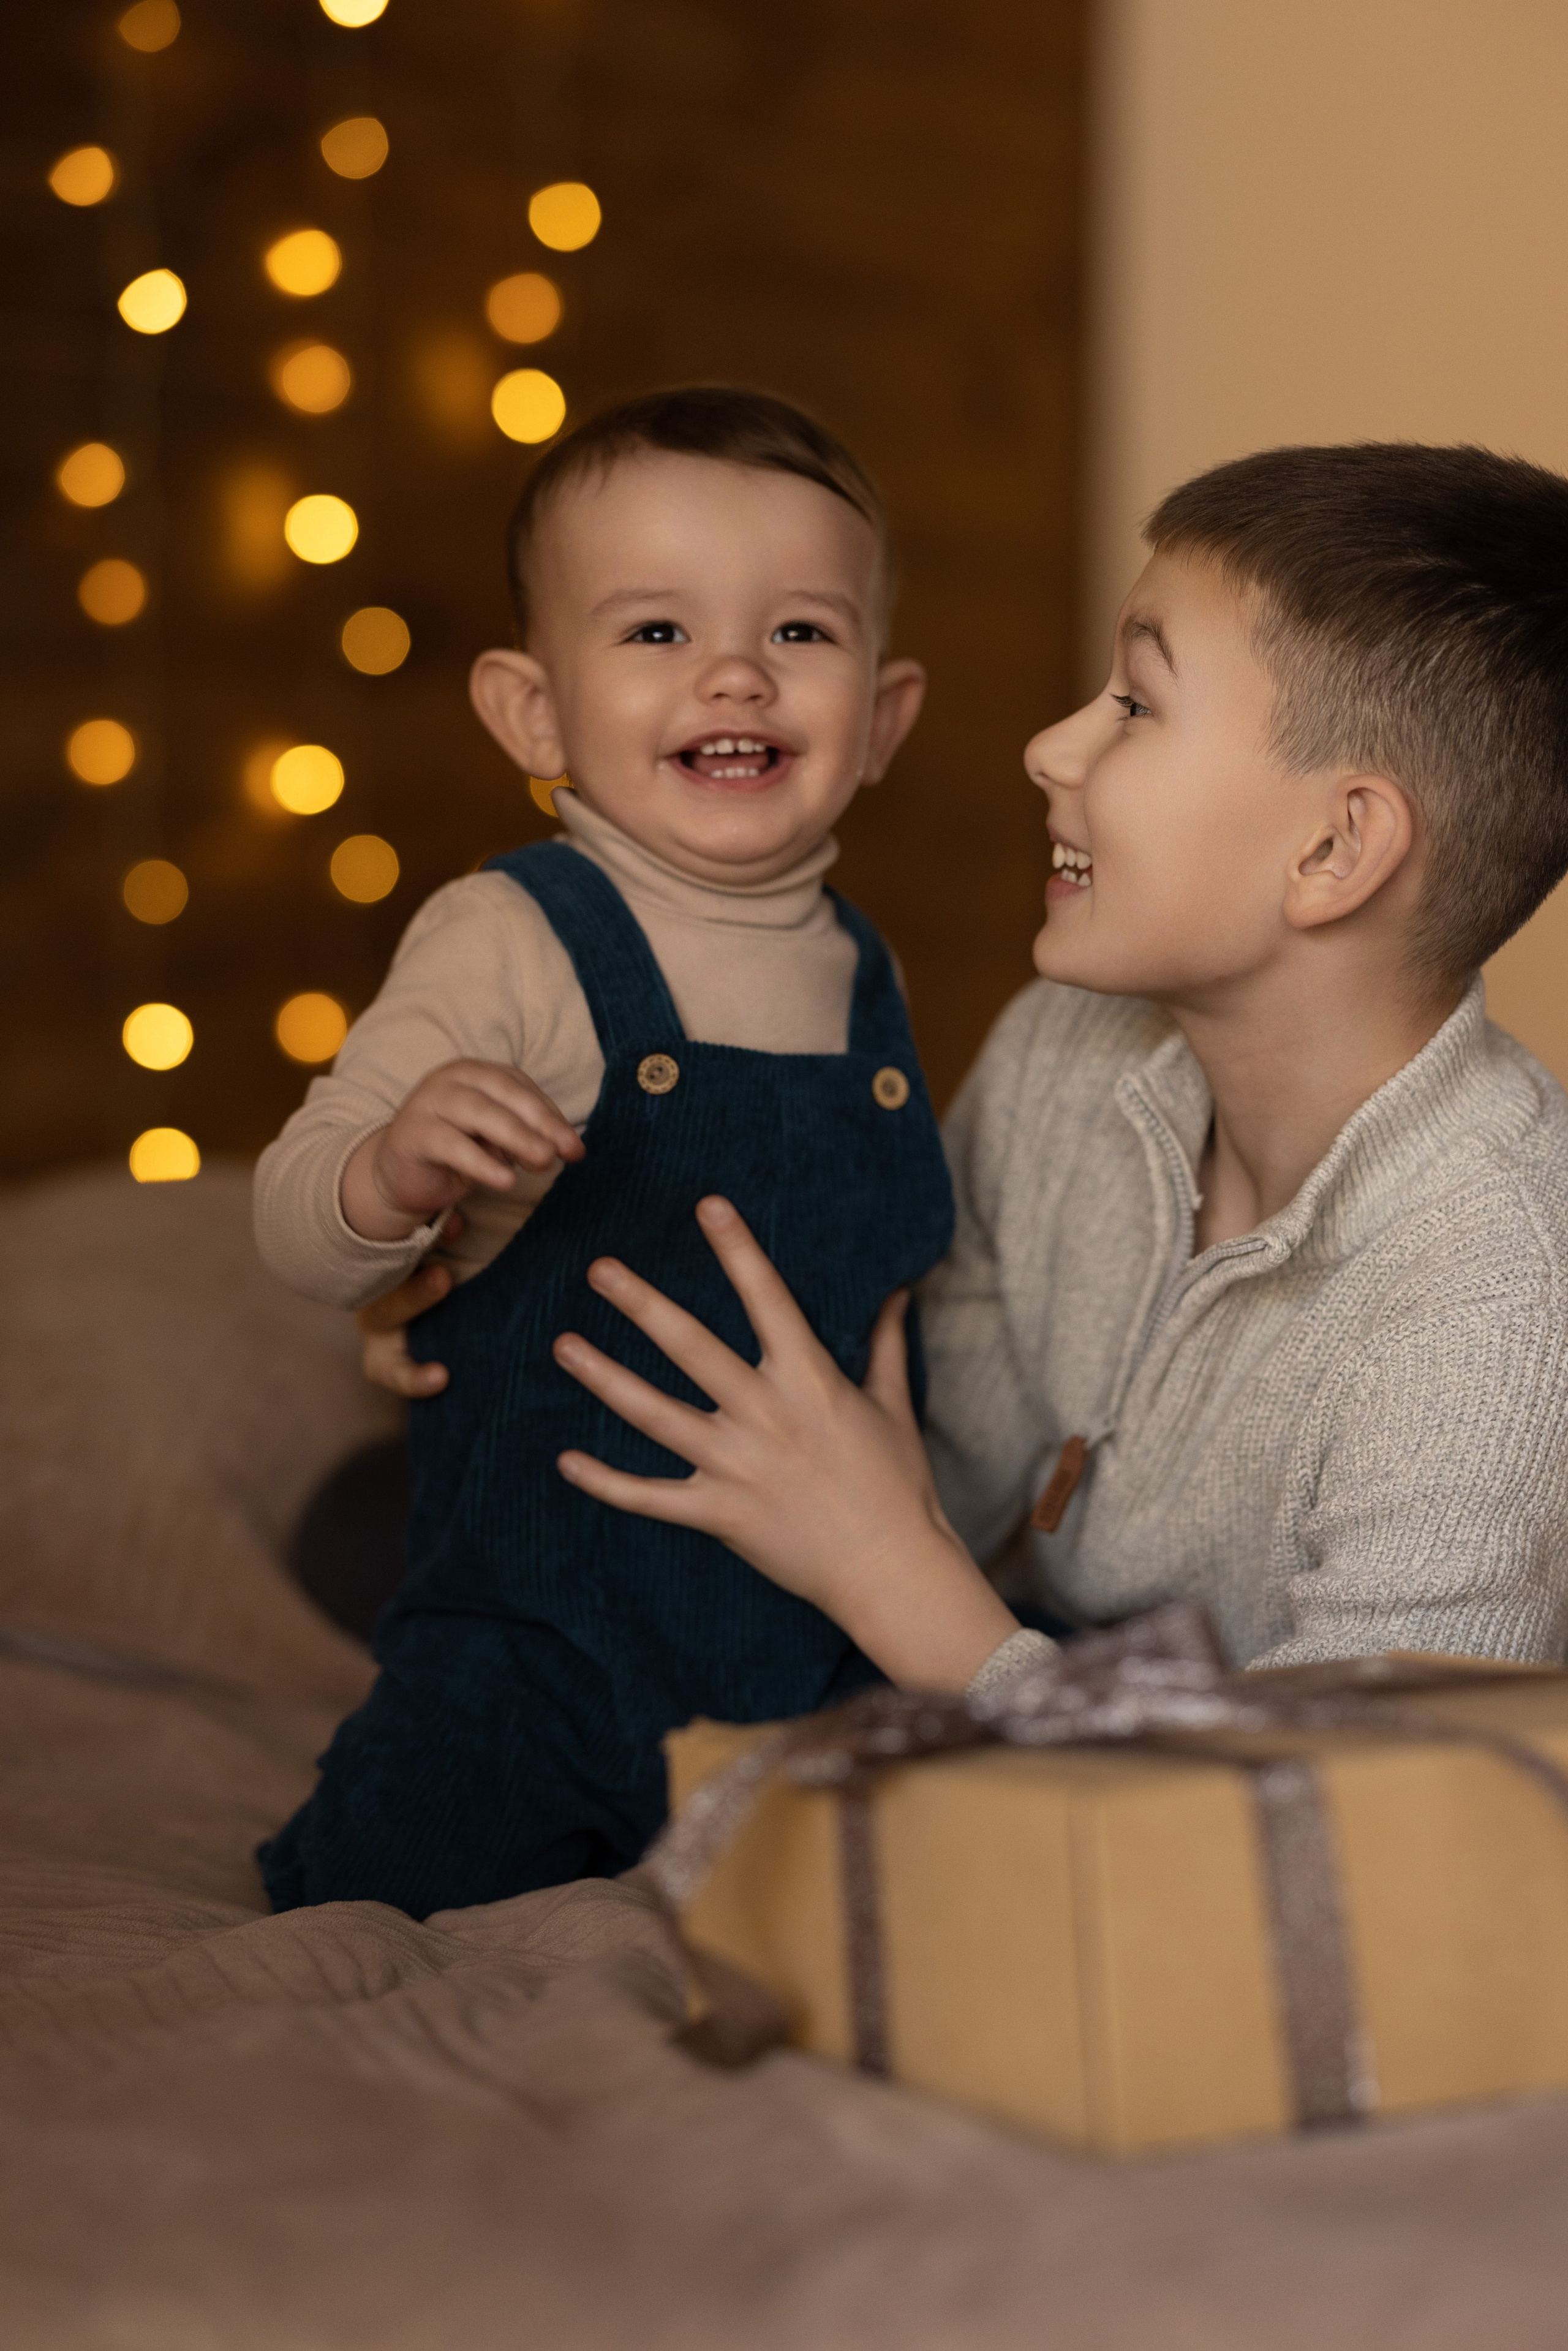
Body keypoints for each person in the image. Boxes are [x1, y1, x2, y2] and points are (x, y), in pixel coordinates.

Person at [361, 442, 1568, 1696]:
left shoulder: (1493, 1307)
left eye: (1135, 706)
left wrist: (897, 1583)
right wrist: (510, 1316)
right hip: (1032, 1648)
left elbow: (1335, 1825)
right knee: (390, 1519)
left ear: (1333, 846)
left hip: (1192, 1773)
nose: (1050, 748)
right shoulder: (1070, 1046)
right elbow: (914, 1439)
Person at [252, 387, 954, 1915]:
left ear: (883, 719)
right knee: (387, 1878)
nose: (732, 673)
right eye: (653, 633)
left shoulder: (869, 971)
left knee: (925, 1900)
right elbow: (294, 1225)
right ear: (532, 711)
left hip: (810, 1644)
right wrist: (391, 1169)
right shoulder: (513, 935)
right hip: (535, 1632)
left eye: (799, 634)